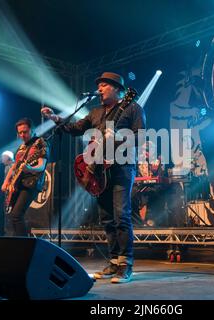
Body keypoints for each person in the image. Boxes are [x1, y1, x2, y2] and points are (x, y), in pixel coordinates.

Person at [42, 72, 146, 283]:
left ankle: (126, 265)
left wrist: (117, 138)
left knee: (121, 216)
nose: (99, 88)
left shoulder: (132, 108)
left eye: (104, 85)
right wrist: (55, 118)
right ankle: (114, 261)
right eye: (98, 84)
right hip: (100, 172)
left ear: (118, 89)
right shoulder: (96, 112)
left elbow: (141, 136)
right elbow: (75, 129)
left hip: (121, 168)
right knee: (106, 218)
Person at [1, 118, 49, 237]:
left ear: (32, 130)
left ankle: (25, 246)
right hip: (18, 183)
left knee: (17, 214)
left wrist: (30, 168)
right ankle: (19, 243)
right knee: (12, 215)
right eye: (20, 133)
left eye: (25, 132)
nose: (22, 135)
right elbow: (14, 167)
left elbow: (42, 166)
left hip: (31, 182)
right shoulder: (21, 148)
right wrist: (6, 181)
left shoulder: (40, 142)